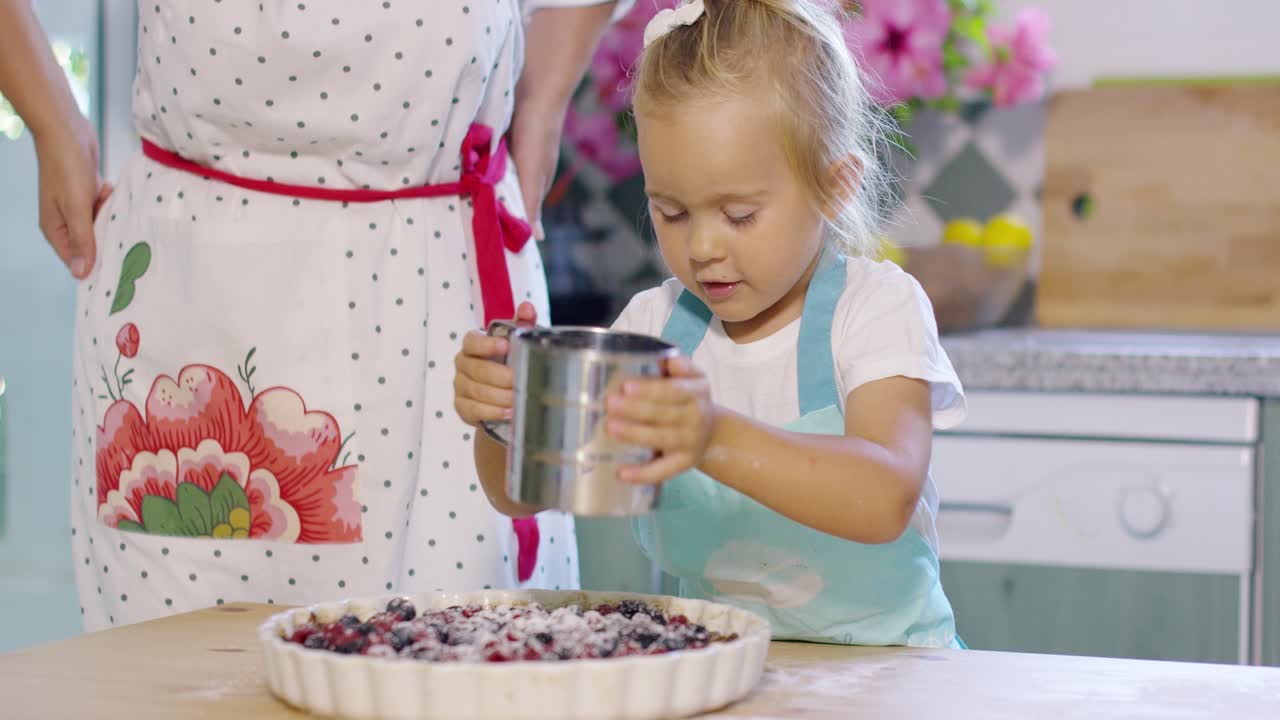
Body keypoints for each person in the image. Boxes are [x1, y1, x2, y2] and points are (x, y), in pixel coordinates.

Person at [0, 0, 629, 631]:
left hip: (445, 283)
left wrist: (542, 102)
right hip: (197, 286)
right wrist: (51, 119)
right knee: (181, 675)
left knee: (464, 663)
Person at [453, 0, 968, 648]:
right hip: (719, 673)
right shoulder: (655, 327)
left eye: (739, 214)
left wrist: (712, 437)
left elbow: (884, 494)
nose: (702, 247)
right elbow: (522, 495)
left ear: (834, 187)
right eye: (670, 212)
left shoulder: (875, 310)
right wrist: (505, 416)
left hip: (890, 680)